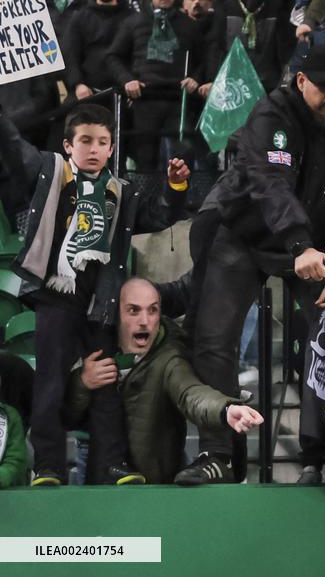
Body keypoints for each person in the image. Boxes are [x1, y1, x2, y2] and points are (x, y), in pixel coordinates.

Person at [177, 44, 325, 485]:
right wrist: (299, 245)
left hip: (313, 244)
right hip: (242, 232)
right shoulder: (271, 116)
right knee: (215, 339)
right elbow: (270, 183)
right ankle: (218, 455)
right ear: (301, 82)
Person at [0, 104, 190, 486]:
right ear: (68, 145)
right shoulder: (49, 171)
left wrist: (175, 187)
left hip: (99, 300)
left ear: (112, 148)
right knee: (50, 381)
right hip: (56, 294)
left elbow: (159, 215)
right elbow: (13, 144)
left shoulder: (122, 191)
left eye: (103, 142)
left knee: (105, 382)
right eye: (85, 140)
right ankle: (49, 464)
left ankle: (110, 464)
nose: (94, 148)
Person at [63, 278, 262, 484]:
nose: (144, 321)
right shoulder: (94, 350)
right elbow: (66, 416)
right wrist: (82, 382)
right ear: (116, 314)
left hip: (154, 480)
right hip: (97, 471)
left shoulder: (169, 356)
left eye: (153, 310)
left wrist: (225, 409)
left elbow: (191, 393)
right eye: (133, 310)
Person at [106, 0, 209, 171]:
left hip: (179, 99)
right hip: (144, 98)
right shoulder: (132, 22)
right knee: (145, 156)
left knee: (182, 154)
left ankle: (176, 199)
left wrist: (195, 79)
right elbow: (113, 57)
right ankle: (145, 201)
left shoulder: (189, 25)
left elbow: (204, 59)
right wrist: (127, 80)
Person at [212, 0, 294, 92]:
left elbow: (286, 54)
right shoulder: (226, 10)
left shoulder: (277, 11)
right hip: (233, 84)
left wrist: (285, 85)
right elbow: (218, 49)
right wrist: (213, 80)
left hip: (269, 85)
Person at [63, 0, 132, 103]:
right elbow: (70, 54)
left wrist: (133, 83)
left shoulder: (132, 17)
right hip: (88, 90)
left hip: (125, 89)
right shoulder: (79, 17)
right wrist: (78, 84)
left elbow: (138, 55)